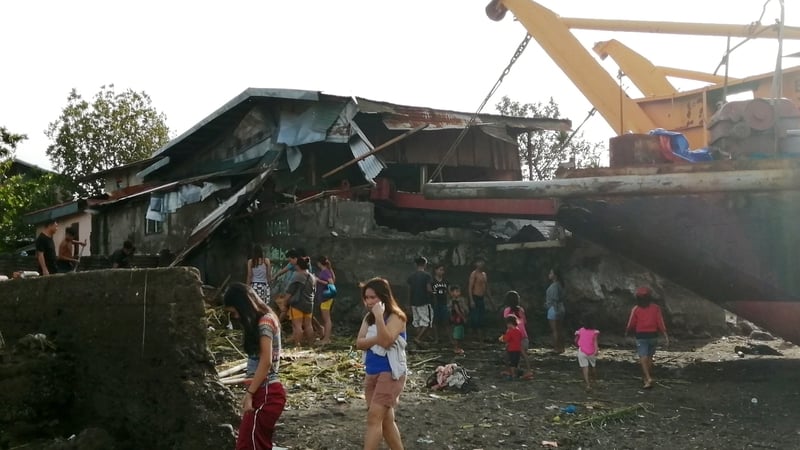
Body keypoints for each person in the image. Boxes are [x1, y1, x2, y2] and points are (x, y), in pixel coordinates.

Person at [223, 283, 286, 450]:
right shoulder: (264, 320)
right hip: (262, 391)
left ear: (244, 305)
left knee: (248, 445)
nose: (236, 317)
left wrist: (249, 394)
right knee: (254, 443)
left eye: (235, 312)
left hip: (266, 393)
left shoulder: (265, 322)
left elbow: (266, 362)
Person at [356, 277, 408, 450]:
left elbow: (385, 342)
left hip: (390, 373)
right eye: (367, 298)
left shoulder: (397, 317)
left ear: (384, 297)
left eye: (373, 297)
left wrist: (379, 317)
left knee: (373, 418)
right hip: (371, 372)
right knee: (385, 421)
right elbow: (359, 343)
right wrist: (376, 337)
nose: (370, 301)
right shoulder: (367, 318)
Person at [625, 286, 669, 389]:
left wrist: (627, 332)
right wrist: (665, 335)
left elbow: (631, 323)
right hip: (653, 335)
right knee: (649, 357)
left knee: (643, 357)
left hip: (641, 336)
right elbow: (660, 322)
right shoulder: (656, 308)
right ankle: (646, 378)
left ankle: (648, 378)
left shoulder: (636, 309)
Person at [285, 256, 316, 347]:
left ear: (298, 265)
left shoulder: (297, 275)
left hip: (297, 304)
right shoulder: (312, 277)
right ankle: (311, 344)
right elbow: (314, 291)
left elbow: (290, 291)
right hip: (309, 304)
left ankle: (297, 345)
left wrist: (285, 302)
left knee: (297, 326)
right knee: (308, 325)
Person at [503, 291, 534, 379]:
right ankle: (527, 370)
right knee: (522, 354)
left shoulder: (507, 311)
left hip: (513, 336)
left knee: (509, 353)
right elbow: (525, 322)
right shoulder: (521, 310)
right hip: (523, 335)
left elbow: (507, 323)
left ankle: (511, 370)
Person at [406, 256, 433, 347]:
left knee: (417, 321)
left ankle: (419, 340)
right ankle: (418, 338)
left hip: (414, 302)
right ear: (425, 264)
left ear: (416, 264)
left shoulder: (411, 276)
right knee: (426, 322)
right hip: (423, 302)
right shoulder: (427, 276)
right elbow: (429, 289)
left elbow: (409, 290)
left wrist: (409, 303)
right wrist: (434, 293)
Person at [468, 258, 494, 342]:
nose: (481, 263)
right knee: (475, 319)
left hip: (481, 298)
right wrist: (471, 300)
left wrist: (491, 300)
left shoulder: (484, 274)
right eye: (479, 262)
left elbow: (486, 288)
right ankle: (475, 339)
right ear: (475, 263)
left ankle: (480, 339)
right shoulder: (474, 274)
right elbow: (470, 288)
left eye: (482, 262)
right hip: (475, 297)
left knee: (481, 319)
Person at [575, 315, 600, 391]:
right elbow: (595, 342)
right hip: (591, 351)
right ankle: (594, 380)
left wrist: (577, 338)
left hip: (582, 351)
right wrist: (596, 350)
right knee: (593, 366)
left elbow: (576, 341)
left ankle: (588, 384)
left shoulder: (580, 331)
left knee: (584, 368)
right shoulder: (594, 332)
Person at [315, 256, 336, 345]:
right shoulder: (327, 271)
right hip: (325, 297)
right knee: (325, 319)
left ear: (319, 263)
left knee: (327, 319)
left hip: (326, 298)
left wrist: (318, 280)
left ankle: (326, 339)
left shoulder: (325, 272)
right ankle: (325, 337)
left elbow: (331, 283)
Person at [545, 268, 566, 354]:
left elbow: (555, 299)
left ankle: (557, 347)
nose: (549, 274)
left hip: (554, 309)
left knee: (555, 329)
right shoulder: (560, 285)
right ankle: (561, 347)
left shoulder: (554, 286)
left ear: (555, 276)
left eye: (551, 273)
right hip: (560, 308)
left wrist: (548, 304)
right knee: (559, 329)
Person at [499, 315, 523, 380]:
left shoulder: (510, 332)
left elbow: (506, 340)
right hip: (518, 349)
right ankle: (516, 373)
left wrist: (502, 338)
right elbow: (521, 338)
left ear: (509, 323)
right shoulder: (519, 331)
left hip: (512, 349)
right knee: (516, 362)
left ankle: (513, 375)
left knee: (512, 363)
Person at [431, 264, 450, 345]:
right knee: (435, 322)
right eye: (440, 269)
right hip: (435, 304)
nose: (441, 271)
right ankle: (436, 339)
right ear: (435, 270)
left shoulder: (446, 281)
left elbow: (449, 292)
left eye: (442, 270)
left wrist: (449, 302)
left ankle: (449, 339)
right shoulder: (432, 281)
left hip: (444, 303)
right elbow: (430, 292)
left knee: (445, 322)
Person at [448, 285, 468, 355]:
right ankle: (456, 348)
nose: (458, 293)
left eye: (458, 291)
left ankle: (458, 347)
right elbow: (457, 310)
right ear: (452, 293)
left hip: (459, 318)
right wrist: (463, 317)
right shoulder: (454, 302)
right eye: (456, 291)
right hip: (457, 319)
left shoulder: (460, 300)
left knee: (460, 333)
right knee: (457, 334)